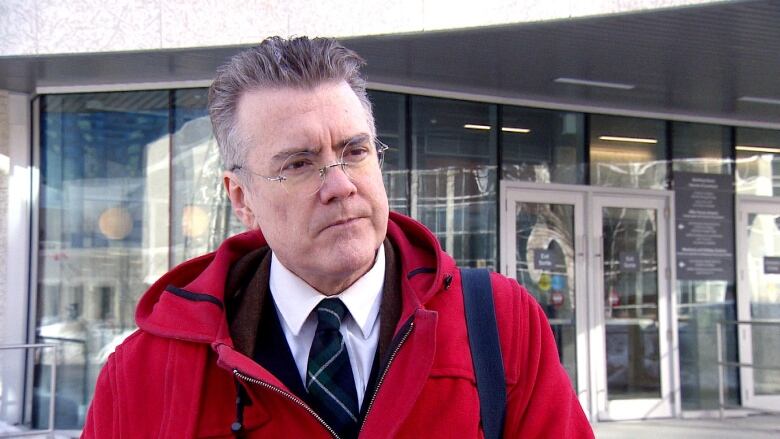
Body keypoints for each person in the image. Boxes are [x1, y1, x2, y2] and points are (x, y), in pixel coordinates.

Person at [82, 36, 593, 438]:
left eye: (354, 151)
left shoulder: (500, 324)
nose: (340, 185)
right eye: (300, 164)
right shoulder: (146, 374)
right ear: (241, 198)